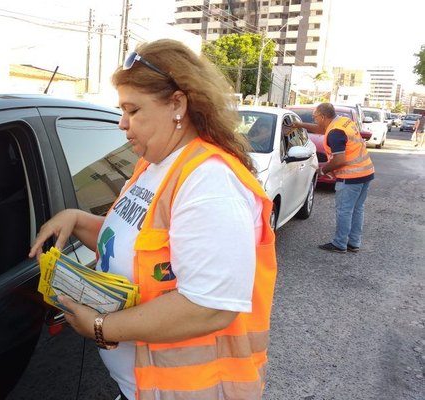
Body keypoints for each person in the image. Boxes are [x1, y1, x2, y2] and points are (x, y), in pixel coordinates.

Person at [29, 39, 277, 400]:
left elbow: (209, 307)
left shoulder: (209, 181)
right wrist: (78, 219)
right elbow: (137, 246)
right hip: (143, 388)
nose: (122, 123)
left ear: (177, 104)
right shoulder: (154, 165)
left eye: (133, 110)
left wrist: (102, 327)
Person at [293, 103, 375, 253]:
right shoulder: (343, 121)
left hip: (351, 176)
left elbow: (339, 160)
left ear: (323, 117)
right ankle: (354, 243)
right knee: (357, 209)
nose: (314, 119)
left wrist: (322, 171)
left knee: (344, 210)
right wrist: (299, 125)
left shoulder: (335, 132)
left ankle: (340, 244)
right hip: (366, 172)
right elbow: (321, 129)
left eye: (315, 117)